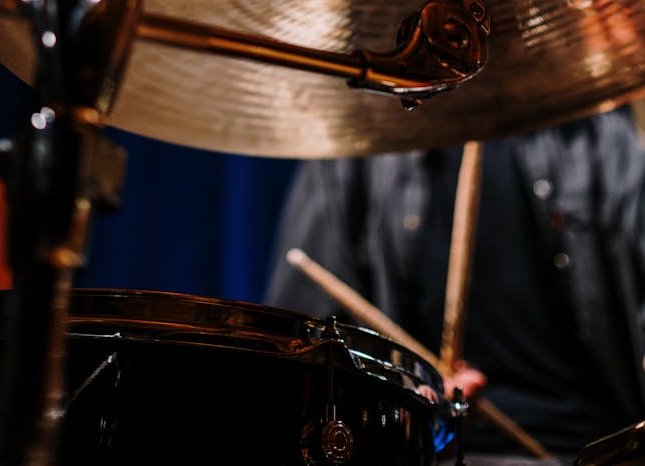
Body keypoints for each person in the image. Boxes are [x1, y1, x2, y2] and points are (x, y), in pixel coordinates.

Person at [263, 106, 645, 463]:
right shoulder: (355, 151)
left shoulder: (596, 140)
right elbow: (305, 353)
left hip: (581, 447)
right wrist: (404, 387)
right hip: (419, 449)